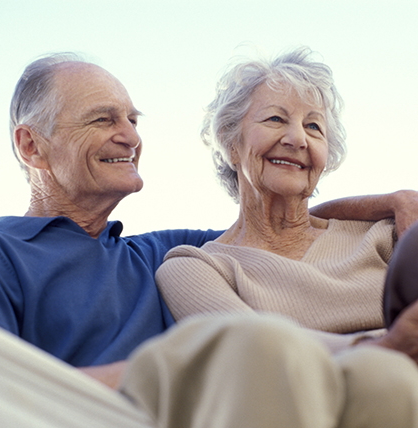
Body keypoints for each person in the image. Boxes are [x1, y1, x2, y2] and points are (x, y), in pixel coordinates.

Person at [0, 51, 418, 427]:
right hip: (78, 412)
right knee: (253, 346)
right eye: (104, 119)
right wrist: (196, 364)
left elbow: (277, 224)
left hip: (199, 409)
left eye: (133, 120)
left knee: (382, 378)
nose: (132, 136)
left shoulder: (152, 252)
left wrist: (389, 201)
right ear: (31, 146)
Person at [155, 46, 418, 424]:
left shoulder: (383, 235)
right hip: (313, 406)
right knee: (384, 379)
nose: (298, 138)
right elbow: (250, 351)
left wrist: (398, 200)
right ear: (231, 144)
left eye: (314, 127)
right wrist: (381, 346)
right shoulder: (195, 268)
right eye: (277, 119)